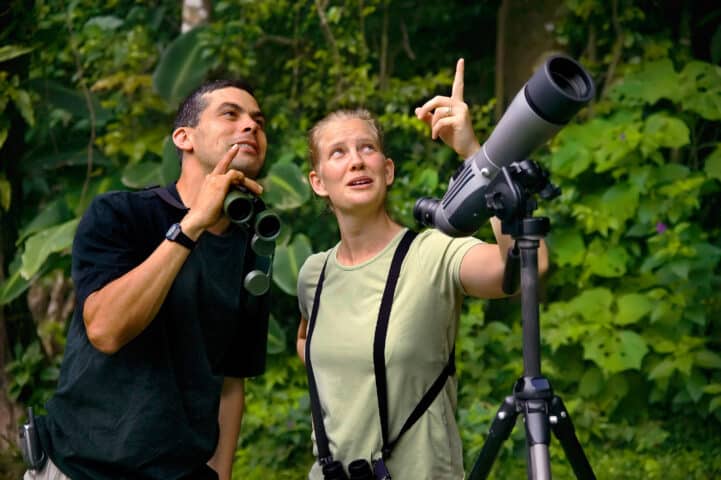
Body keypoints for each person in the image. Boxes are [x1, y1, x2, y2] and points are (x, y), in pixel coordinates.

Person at [295, 59, 548, 480]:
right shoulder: (313, 274)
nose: (356, 161)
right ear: (318, 181)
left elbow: (529, 265)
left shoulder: (432, 253)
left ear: (387, 170)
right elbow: (308, 341)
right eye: (338, 153)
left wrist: (476, 156)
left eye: (367, 148)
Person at [25, 79, 271, 480]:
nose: (251, 127)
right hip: (81, 469)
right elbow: (106, 329)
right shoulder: (120, 214)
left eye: (258, 122)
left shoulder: (252, 249)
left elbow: (230, 380)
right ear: (184, 137)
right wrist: (191, 226)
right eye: (231, 114)